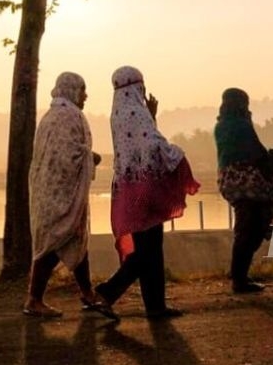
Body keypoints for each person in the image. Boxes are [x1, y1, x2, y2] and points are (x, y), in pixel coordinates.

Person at [94, 66, 199, 319]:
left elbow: (139, 141)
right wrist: (178, 153)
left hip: (128, 189)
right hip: (146, 188)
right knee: (148, 250)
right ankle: (107, 293)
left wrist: (151, 116)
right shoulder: (135, 112)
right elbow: (154, 145)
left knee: (150, 247)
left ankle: (155, 306)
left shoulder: (117, 112)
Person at [24, 72, 116, 320]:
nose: (85, 95)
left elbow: (61, 152)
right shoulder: (68, 116)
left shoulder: (51, 116)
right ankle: (34, 299)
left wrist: (86, 156)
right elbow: (67, 156)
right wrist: (91, 158)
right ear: (72, 90)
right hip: (60, 194)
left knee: (75, 239)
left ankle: (87, 293)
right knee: (56, 241)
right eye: (82, 89)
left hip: (51, 191)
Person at [215, 88, 273, 294]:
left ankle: (239, 275)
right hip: (248, 183)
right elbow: (256, 152)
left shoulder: (221, 125)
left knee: (245, 228)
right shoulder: (241, 125)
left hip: (229, 181)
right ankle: (239, 279)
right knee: (250, 230)